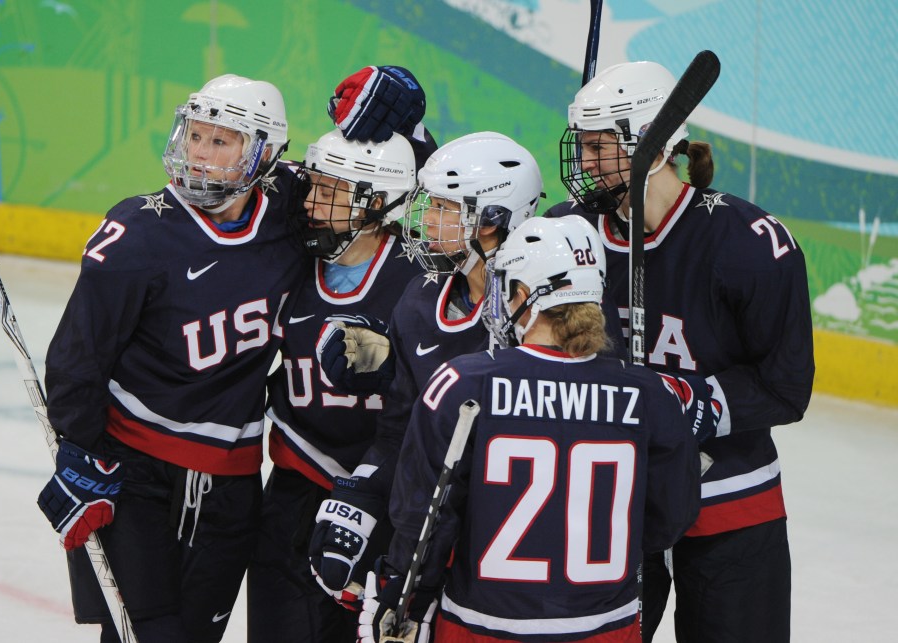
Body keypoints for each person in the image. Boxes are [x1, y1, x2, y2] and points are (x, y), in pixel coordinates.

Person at [548, 60, 815, 643]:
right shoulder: (568, 234)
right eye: (583, 146)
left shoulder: (748, 244)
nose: (586, 164)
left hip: (729, 504)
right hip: (607, 505)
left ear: (653, 143)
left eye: (600, 147)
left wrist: (691, 399)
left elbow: (786, 385)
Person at [36, 73, 306, 643]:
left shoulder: (289, 215)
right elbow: (77, 359)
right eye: (196, 136)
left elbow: (365, 192)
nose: (200, 156)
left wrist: (403, 129)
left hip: (232, 483)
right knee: (145, 634)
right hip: (138, 475)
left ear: (264, 154)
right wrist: (79, 452)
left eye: (221, 141)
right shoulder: (140, 232)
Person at [358, 215, 703, 642]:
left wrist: (403, 597)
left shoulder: (463, 383)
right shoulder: (652, 394)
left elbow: (425, 518)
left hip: (483, 626)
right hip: (605, 628)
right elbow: (669, 521)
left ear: (526, 295)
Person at [308, 131, 547, 618]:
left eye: (443, 208)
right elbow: (400, 431)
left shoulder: (543, 310)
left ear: (493, 220)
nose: (426, 222)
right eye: (429, 205)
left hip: (522, 540)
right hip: (436, 528)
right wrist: (364, 490)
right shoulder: (420, 299)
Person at [246, 128, 425, 642]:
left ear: (377, 203)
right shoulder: (287, 262)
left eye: (330, 192)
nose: (311, 204)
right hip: (296, 491)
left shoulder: (419, 278)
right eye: (313, 187)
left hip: (390, 504)